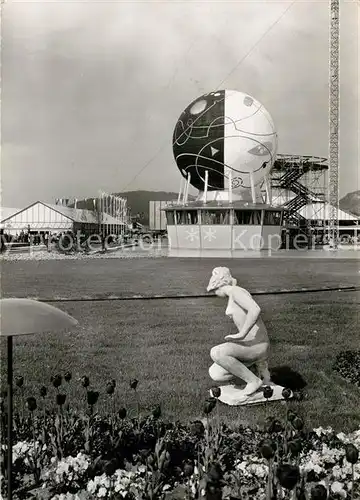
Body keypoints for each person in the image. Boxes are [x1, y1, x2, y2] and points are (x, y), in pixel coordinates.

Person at [207, 267, 271, 400]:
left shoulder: (236, 292)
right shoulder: (233, 292)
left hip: (257, 345)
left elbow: (255, 309)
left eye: (214, 291)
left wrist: (242, 334)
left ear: (218, 286)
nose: (214, 294)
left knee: (217, 352)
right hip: (248, 344)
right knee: (216, 373)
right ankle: (254, 371)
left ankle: (253, 381)